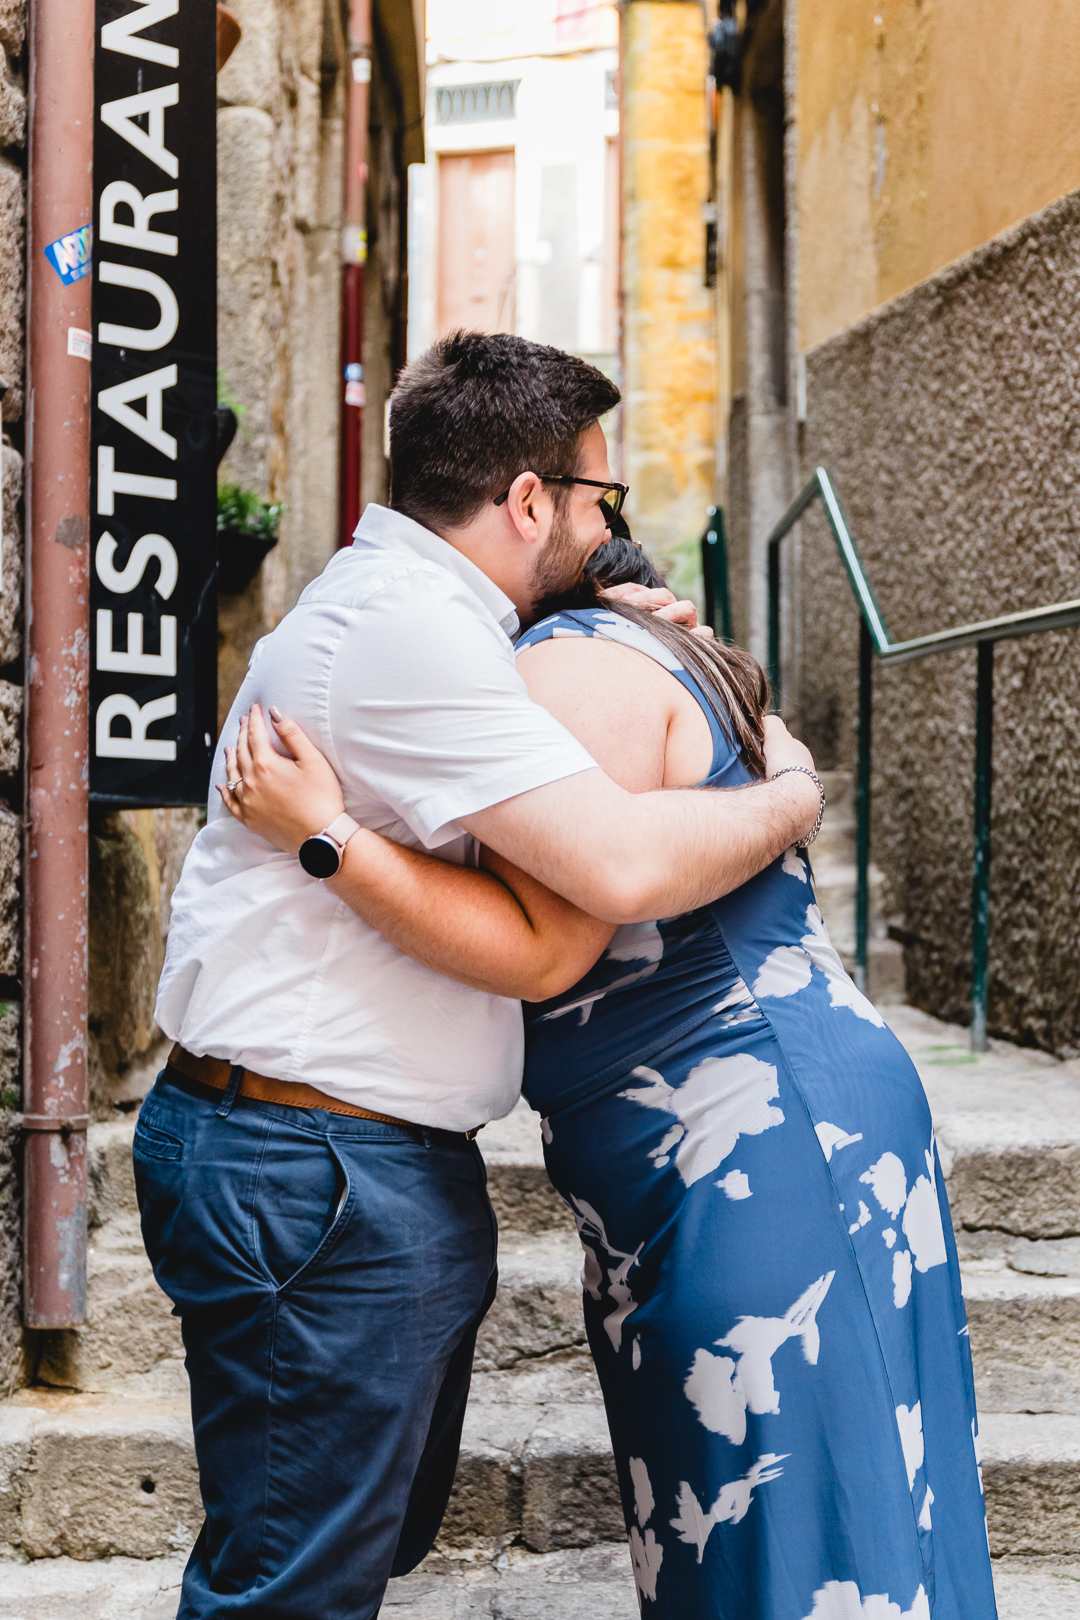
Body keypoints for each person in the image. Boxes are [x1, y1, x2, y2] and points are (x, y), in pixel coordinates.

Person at [138, 332, 822, 1620]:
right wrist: (789, 795)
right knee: (288, 1589)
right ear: (527, 502)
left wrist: (589, 629)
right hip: (314, 1170)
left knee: (339, 1558)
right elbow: (606, 881)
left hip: (336, 1160)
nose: (608, 528)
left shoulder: (444, 624)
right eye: (599, 501)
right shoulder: (408, 637)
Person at [219, 532, 997, 1620]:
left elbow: (568, 926)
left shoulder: (575, 659)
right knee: (813, 1510)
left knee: (802, 1528)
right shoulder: (582, 653)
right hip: (726, 1131)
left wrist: (330, 836)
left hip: (751, 1133)